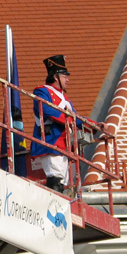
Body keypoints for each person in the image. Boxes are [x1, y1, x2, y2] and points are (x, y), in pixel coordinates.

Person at [31, 54, 79, 192]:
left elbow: (76, 117)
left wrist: (93, 125)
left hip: (64, 144)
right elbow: (46, 110)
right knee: (55, 179)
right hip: (52, 140)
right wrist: (70, 120)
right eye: (65, 76)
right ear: (55, 76)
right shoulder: (42, 91)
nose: (67, 80)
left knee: (63, 182)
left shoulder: (65, 98)